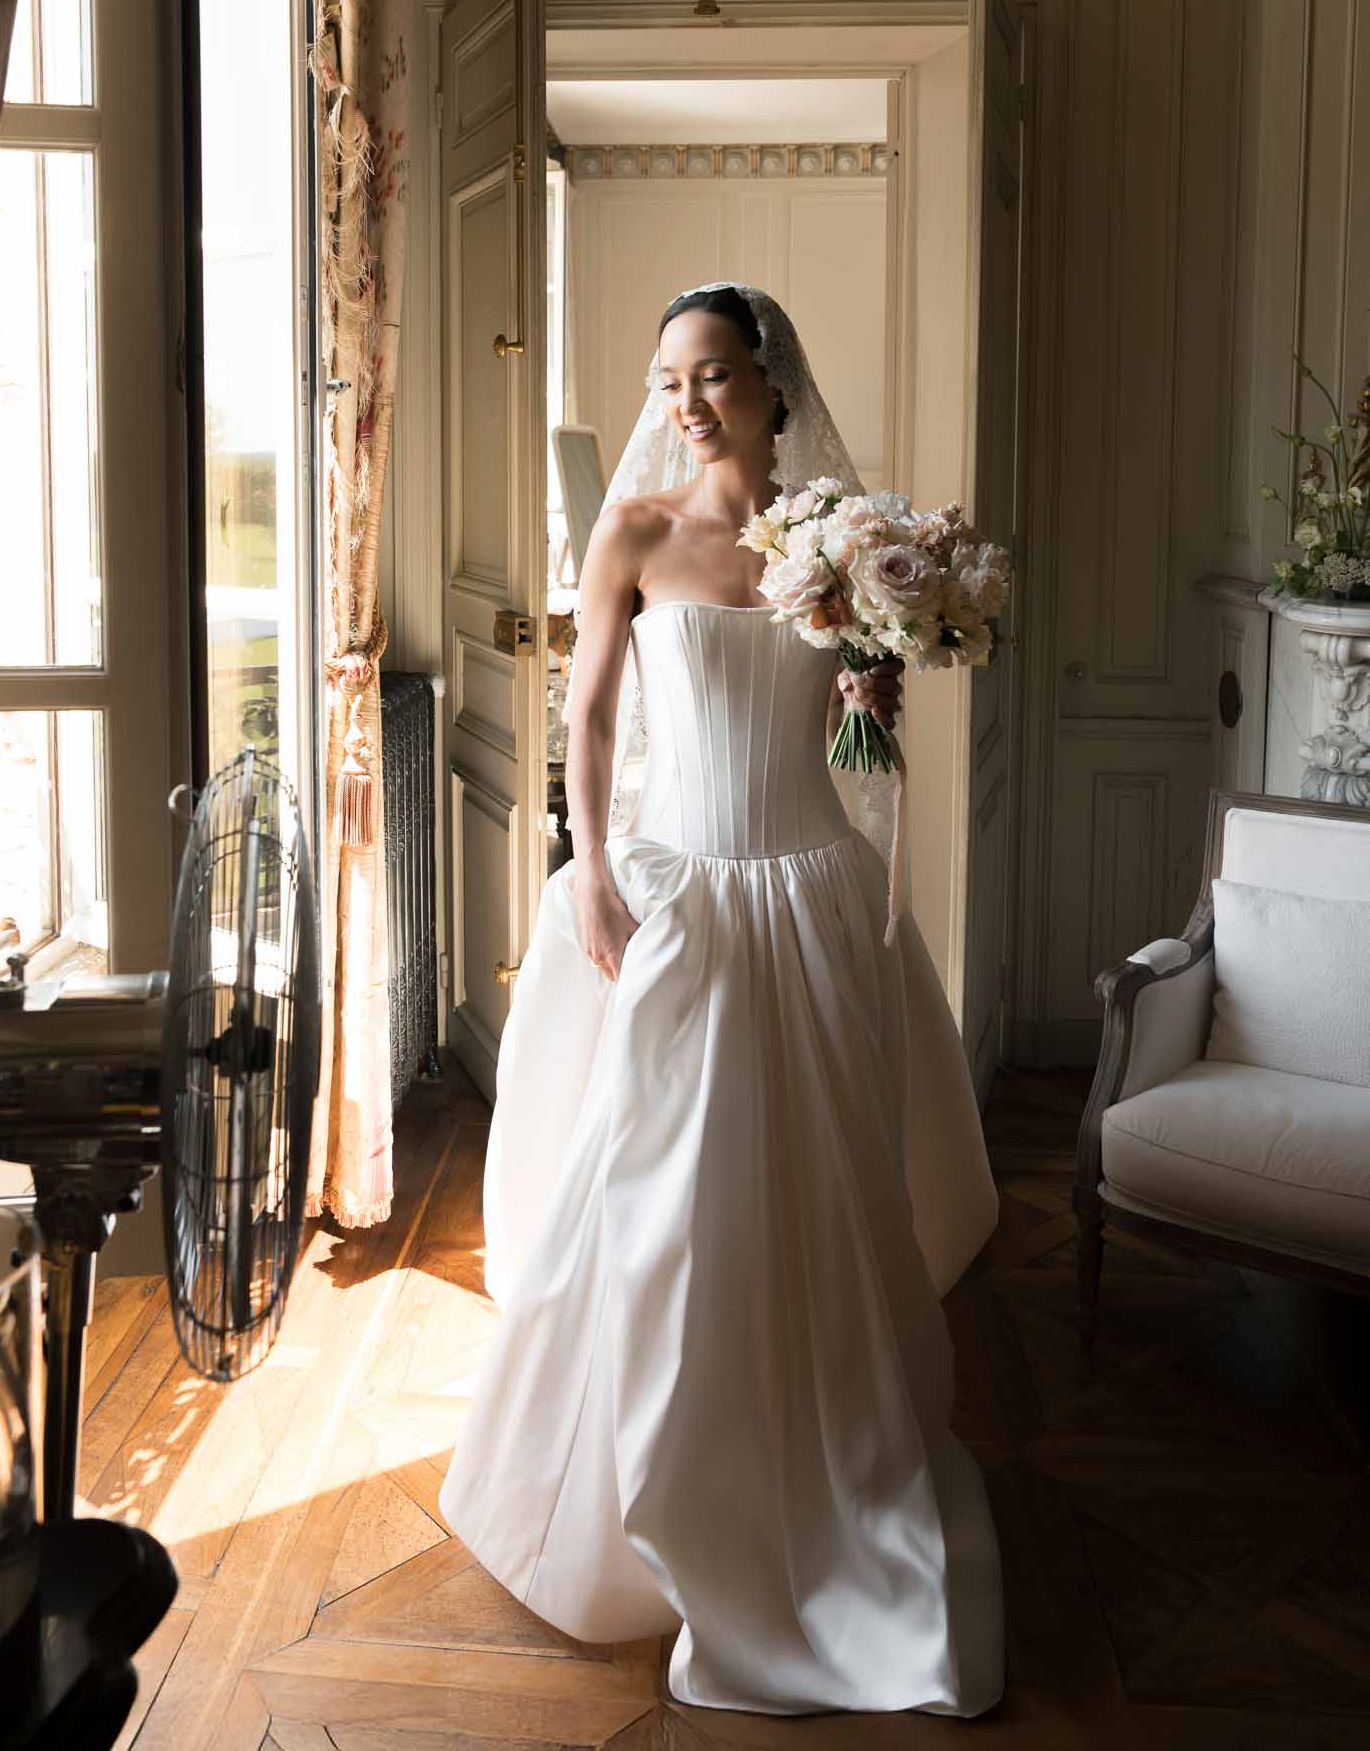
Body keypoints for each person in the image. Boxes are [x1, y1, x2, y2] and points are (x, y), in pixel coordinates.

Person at [437, 283, 1005, 1718]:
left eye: (714, 375)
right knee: (663, 1193)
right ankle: (653, 1494)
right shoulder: (630, 532)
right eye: (669, 379)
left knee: (819, 1184)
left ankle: (827, 1477)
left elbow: (867, 724)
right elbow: (592, 717)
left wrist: (894, 655)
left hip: (808, 886)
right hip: (683, 891)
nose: (688, 402)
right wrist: (584, 869)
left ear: (770, 382)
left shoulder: (842, 541)